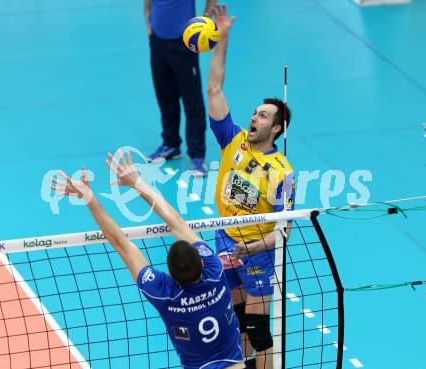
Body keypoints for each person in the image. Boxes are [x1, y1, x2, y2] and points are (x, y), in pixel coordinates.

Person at [51, 149, 244, 369]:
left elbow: (121, 244)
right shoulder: (215, 270)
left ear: (170, 275)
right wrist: (138, 182)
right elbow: (177, 222)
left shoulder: (163, 292)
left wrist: (89, 198)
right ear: (201, 262)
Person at [207, 4, 296, 369]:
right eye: (255, 112)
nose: (254, 117)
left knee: (257, 330)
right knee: (234, 325)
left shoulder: (282, 172)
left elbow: (284, 230)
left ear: (276, 128)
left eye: (263, 115)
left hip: (258, 250)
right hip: (225, 239)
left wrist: (253, 245)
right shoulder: (233, 140)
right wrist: (222, 39)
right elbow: (214, 88)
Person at [144, 0, 216, 176]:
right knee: (165, 95)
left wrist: (205, 18)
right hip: (157, 40)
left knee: (192, 100)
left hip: (183, 42)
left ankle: (197, 155)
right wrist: (148, 20)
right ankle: (171, 144)